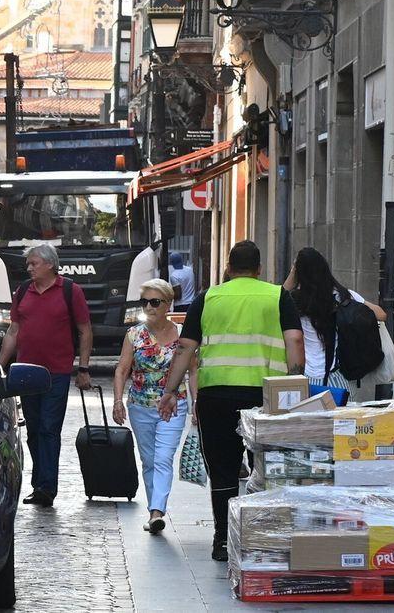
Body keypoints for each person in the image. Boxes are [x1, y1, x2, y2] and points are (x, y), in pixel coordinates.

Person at [158, 240, 304, 562]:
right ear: (259, 269)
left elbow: (185, 347)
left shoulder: (207, 298)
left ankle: (222, 540)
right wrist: (296, 389)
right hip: (265, 395)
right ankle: (261, 538)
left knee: (223, 471)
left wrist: (170, 392)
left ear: (228, 267)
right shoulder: (277, 296)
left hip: (216, 395)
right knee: (265, 468)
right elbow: (294, 340)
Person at [0, 242, 93, 507]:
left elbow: (85, 330)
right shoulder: (22, 291)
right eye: (28, 264)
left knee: (49, 429)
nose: (29, 268)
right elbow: (13, 331)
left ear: (50, 264)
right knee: (33, 429)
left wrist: (83, 368)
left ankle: (46, 487)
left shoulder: (69, 291)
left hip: (57, 373)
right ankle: (40, 481)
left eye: (34, 263)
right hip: (27, 372)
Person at [112, 279, 198, 535]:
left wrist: (196, 404)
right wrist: (118, 401)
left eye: (155, 302)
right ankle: (154, 509)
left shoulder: (184, 334)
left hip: (174, 405)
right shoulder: (134, 334)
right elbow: (122, 369)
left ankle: (157, 511)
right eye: (145, 302)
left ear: (168, 304)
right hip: (140, 406)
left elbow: (193, 370)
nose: (149, 307)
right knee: (149, 460)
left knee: (163, 458)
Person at [283, 247, 387, 399]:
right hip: (337, 381)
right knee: (340, 423)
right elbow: (381, 314)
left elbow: (278, 298)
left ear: (299, 274)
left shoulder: (293, 301)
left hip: (305, 381)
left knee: (307, 423)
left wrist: (293, 273)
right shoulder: (343, 295)